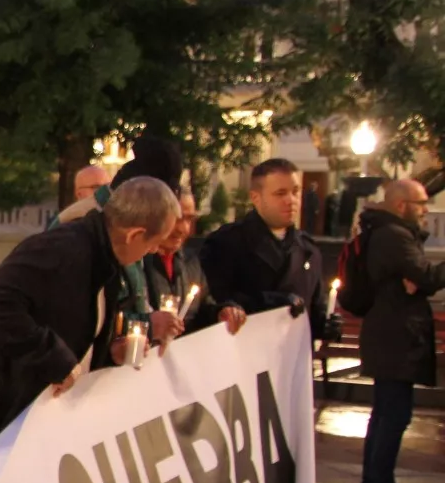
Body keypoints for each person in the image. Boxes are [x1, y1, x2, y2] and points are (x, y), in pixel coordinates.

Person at [0, 178, 180, 467]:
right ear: (134, 234)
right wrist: (53, 359)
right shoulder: (62, 248)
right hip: (8, 422)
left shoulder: (106, 261)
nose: (151, 253)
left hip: (47, 425)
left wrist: (110, 352)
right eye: (154, 244)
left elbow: (76, 328)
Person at [354, 179, 445, 483]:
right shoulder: (394, 235)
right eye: (421, 203)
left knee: (389, 415)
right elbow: (428, 277)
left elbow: (419, 278)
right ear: (402, 205)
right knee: (392, 416)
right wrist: (418, 278)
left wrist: (416, 279)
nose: (426, 209)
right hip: (393, 338)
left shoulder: (395, 234)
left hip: (393, 335)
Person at [54, 135, 187, 344]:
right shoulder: (79, 227)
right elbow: (70, 314)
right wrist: (146, 325)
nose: (153, 250)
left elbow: (133, 295)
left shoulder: (124, 221)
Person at [200, 158, 333, 345]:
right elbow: (213, 302)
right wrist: (271, 301)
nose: (291, 200)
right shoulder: (227, 243)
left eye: (295, 192)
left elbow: (314, 308)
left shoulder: (307, 249)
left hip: (291, 361)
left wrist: (326, 325)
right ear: (256, 198)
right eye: (280, 193)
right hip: (246, 354)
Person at [144, 190, 248, 340]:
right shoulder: (136, 262)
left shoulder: (190, 261)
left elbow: (202, 307)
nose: (183, 229)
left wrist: (221, 312)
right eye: (177, 218)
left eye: (189, 219)